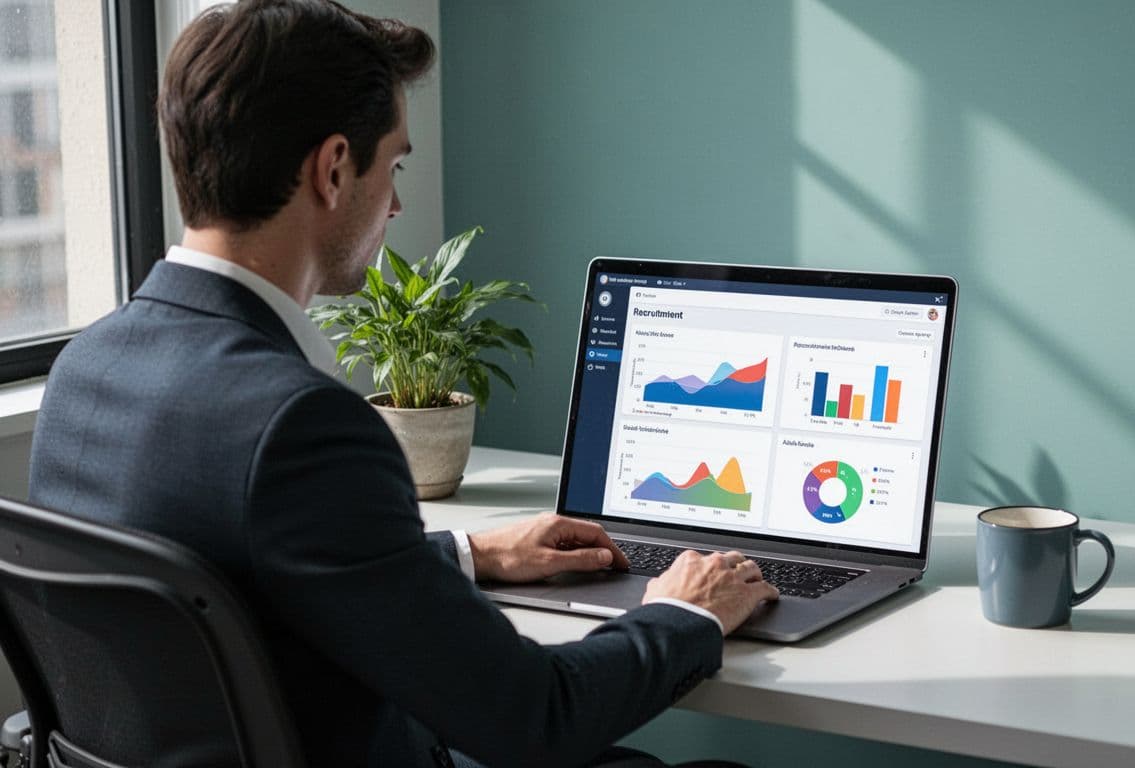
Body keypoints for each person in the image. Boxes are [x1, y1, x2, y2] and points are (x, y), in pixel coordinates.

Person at [27, 1, 776, 766]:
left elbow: (252, 568)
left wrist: (462, 554)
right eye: (396, 165)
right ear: (332, 169)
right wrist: (687, 616)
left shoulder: (89, 365)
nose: (396, 203)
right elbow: (535, 719)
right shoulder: (300, 422)